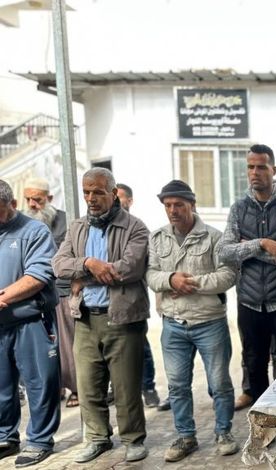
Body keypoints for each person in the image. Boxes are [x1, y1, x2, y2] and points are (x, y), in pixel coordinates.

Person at [52, 168, 150, 463]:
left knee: (126, 386)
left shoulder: (134, 226)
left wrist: (84, 275)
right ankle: (98, 438)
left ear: (113, 192)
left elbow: (129, 268)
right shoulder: (77, 227)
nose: (91, 198)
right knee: (88, 385)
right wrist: (89, 263)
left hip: (122, 317)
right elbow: (59, 265)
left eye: (97, 192)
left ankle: (133, 439)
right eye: (86, 192)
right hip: (84, 318)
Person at [146, 180, 238, 462]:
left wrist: (192, 283)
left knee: (219, 382)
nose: (173, 210)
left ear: (192, 205)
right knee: (177, 386)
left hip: (209, 322)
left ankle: (224, 432)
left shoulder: (214, 237)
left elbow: (229, 275)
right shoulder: (157, 237)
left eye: (178, 205)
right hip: (173, 323)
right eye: (168, 205)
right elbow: (150, 274)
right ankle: (185, 437)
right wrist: (169, 279)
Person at [217, 144, 276, 424]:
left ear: (274, 170)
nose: (255, 172)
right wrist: (265, 244)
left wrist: (248, 250)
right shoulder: (239, 208)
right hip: (249, 300)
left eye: (261, 166)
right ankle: (260, 417)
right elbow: (223, 251)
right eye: (250, 167)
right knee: (254, 361)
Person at [0, 179, 61, 468]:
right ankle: (5, 436)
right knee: (1, 385)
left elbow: (39, 274)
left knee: (40, 382)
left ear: (12, 204)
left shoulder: (34, 230)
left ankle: (39, 440)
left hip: (31, 319)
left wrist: (6, 296)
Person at [22, 177, 77, 408]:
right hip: (33, 297)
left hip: (62, 291)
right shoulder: (23, 224)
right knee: (43, 347)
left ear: (49, 199)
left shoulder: (66, 221)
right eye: (28, 199)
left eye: (37, 199)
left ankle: (75, 388)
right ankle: (54, 388)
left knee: (68, 343)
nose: (32, 204)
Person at [115, 183, 163, 409]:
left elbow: (133, 265)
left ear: (130, 201)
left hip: (133, 299)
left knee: (140, 347)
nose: (116, 200)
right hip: (109, 301)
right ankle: (117, 390)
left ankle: (148, 387)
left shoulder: (136, 227)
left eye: (121, 197)